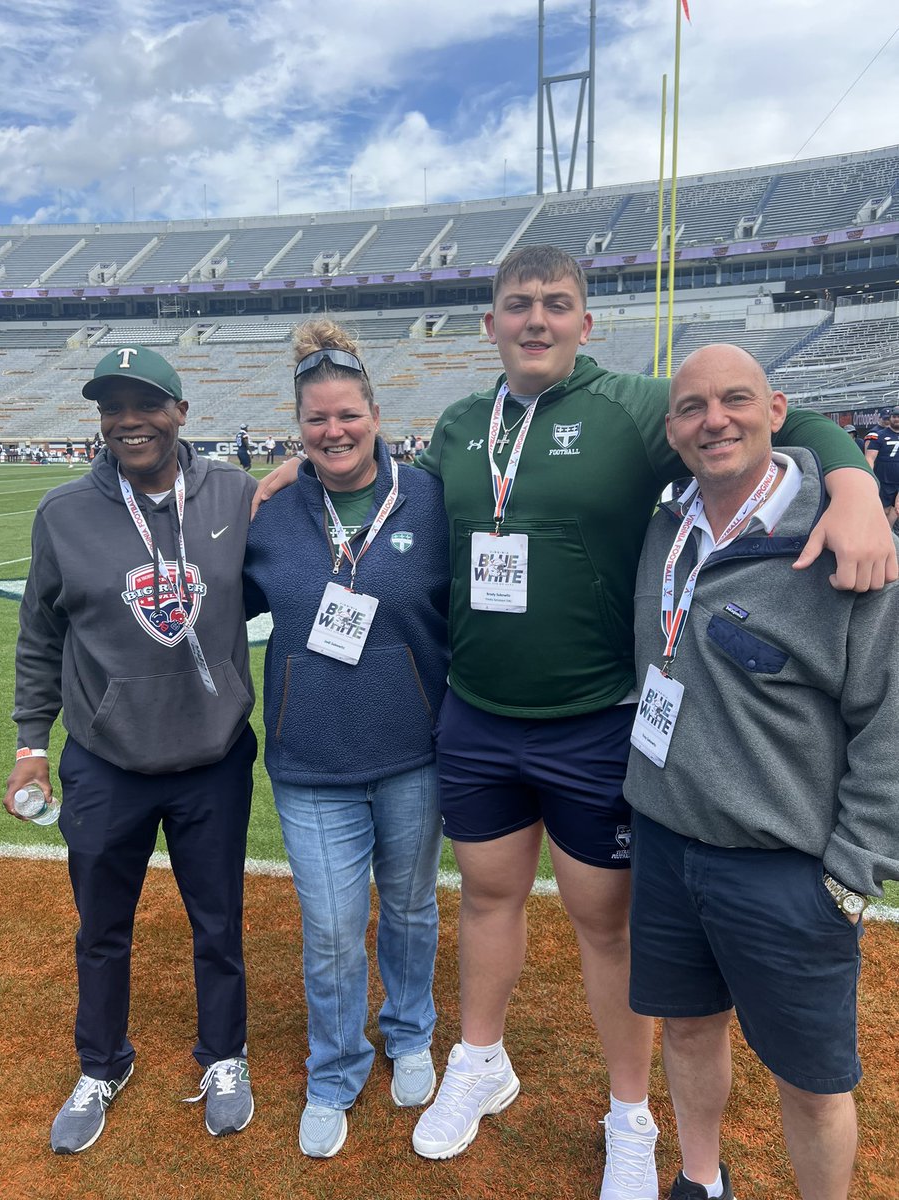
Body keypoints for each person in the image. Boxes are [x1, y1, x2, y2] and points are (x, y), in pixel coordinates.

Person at [253, 247, 895, 1196]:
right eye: (519, 305)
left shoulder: (640, 406)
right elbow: (372, 481)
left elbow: (778, 417)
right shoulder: (464, 427)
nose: (538, 320)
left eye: (558, 304)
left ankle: (629, 1113)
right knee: (485, 897)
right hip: (476, 712)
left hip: (597, 716)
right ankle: (481, 1058)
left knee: (605, 924)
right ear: (493, 324)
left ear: (586, 324)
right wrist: (290, 474)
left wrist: (849, 486)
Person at [623, 344, 899, 1200]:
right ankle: (700, 1181)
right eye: (693, 408)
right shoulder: (667, 524)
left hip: (787, 868)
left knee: (813, 1085)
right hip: (668, 844)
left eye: (736, 400)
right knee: (687, 1029)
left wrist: (852, 878)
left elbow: (888, 724)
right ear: (671, 429)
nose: (715, 421)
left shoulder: (844, 538)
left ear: (777, 409)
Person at [5, 345, 258, 1154]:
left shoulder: (238, 494)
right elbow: (40, 637)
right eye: (112, 408)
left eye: (144, 404)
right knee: (101, 927)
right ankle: (102, 1062)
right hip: (105, 761)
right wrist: (29, 746)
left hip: (213, 759)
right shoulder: (62, 514)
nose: (128, 421)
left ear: (181, 411)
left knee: (217, 923)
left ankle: (224, 1055)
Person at [243, 320, 449, 1159]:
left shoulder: (433, 498)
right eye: (317, 420)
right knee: (330, 926)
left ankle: (408, 1030)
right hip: (310, 761)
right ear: (299, 427)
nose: (334, 432)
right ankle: (335, 1069)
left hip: (413, 752)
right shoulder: (268, 510)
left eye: (348, 416)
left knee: (408, 907)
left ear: (376, 415)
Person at [864, 404, 899, 528]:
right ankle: (880, 532)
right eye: (894, 416)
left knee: (896, 510)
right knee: (884, 509)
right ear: (890, 418)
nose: (897, 419)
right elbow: (869, 457)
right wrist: (870, 476)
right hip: (884, 478)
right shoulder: (878, 435)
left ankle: (888, 534)